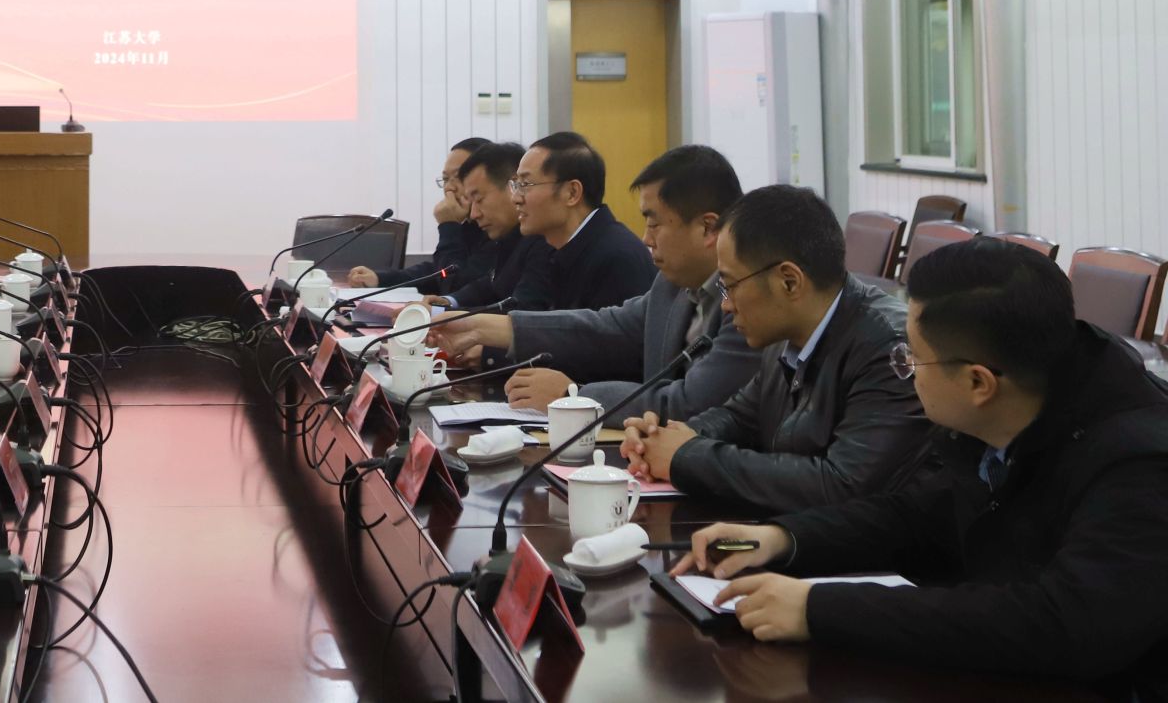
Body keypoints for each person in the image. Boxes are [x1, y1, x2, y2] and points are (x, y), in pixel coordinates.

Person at [679, 240, 1168, 696]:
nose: (905, 370)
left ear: (978, 383)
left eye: (912, 358)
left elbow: (1064, 625)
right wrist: (782, 538)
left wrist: (818, 610)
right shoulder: (1011, 403)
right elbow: (917, 516)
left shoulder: (1139, 461)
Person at [621, 183, 925, 511]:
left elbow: (841, 484)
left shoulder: (888, 348)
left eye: (730, 286)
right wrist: (665, 439)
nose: (725, 305)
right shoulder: (784, 334)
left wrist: (686, 456)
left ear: (789, 282)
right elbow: (740, 417)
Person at [434, 144, 759, 415]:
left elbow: (690, 403)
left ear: (707, 228)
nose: (646, 239)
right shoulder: (672, 284)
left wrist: (574, 396)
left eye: (654, 224)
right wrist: (480, 326)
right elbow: (606, 327)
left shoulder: (748, 302)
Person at [498, 133, 655, 311]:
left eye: (526, 184)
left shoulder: (617, 259)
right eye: (516, 185)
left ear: (572, 193)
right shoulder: (559, 249)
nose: (515, 198)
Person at [345, 138, 492, 291]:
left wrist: (448, 225)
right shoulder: (470, 226)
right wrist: (379, 279)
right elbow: (437, 272)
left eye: (459, 176)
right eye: (446, 179)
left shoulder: (495, 230)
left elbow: (452, 285)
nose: (449, 188)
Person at [438, 141, 551, 310]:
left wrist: (442, 313)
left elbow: (521, 313)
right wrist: (449, 302)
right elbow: (492, 285)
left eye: (479, 199)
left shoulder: (543, 239)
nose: (474, 214)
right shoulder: (510, 236)